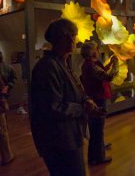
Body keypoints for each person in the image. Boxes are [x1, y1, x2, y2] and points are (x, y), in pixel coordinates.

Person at [30, 18, 98, 176]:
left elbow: (75, 90)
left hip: (69, 136)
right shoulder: (47, 67)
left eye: (73, 35)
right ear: (58, 39)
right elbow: (52, 108)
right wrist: (82, 109)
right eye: (67, 36)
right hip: (59, 140)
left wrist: (86, 100)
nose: (72, 40)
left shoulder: (63, 63)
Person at [80, 42, 118, 165]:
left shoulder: (88, 65)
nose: (98, 50)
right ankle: (98, 157)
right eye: (96, 48)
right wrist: (116, 65)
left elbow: (100, 72)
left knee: (95, 128)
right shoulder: (91, 66)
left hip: (94, 98)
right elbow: (108, 77)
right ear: (92, 52)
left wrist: (110, 64)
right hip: (98, 98)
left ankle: (93, 156)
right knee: (97, 129)